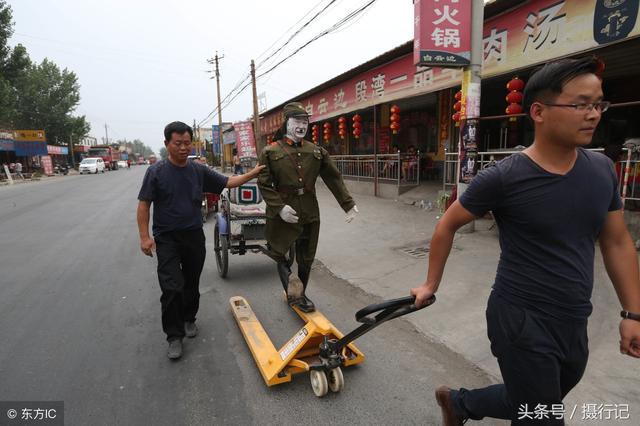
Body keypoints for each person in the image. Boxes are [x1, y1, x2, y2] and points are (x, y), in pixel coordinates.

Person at [410, 57, 640, 425]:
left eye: (598, 103)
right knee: (543, 416)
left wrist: (632, 313)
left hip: (574, 316)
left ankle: (459, 403)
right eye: (580, 104)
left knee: (536, 401)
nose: (594, 114)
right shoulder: (503, 177)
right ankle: (461, 404)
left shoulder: (601, 170)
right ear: (538, 111)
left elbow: (616, 242)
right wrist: (430, 283)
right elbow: (447, 224)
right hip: (519, 317)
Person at [137, 121, 264, 360]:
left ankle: (189, 319)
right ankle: (174, 336)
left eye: (187, 143)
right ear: (167, 144)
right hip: (166, 238)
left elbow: (227, 183)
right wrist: (145, 237)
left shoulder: (198, 170)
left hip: (193, 235)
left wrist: (253, 173)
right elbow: (144, 205)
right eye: (178, 143)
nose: (184, 148)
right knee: (171, 287)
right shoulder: (156, 172)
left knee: (191, 282)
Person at [258, 102, 358, 312]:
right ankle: (293, 287)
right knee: (279, 251)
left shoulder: (316, 152)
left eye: (305, 122)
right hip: (282, 211)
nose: (302, 126)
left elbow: (333, 178)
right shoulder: (270, 151)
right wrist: (279, 208)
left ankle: (300, 293)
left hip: (309, 210)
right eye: (297, 121)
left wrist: (347, 204)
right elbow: (264, 184)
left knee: (307, 256)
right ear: (287, 123)